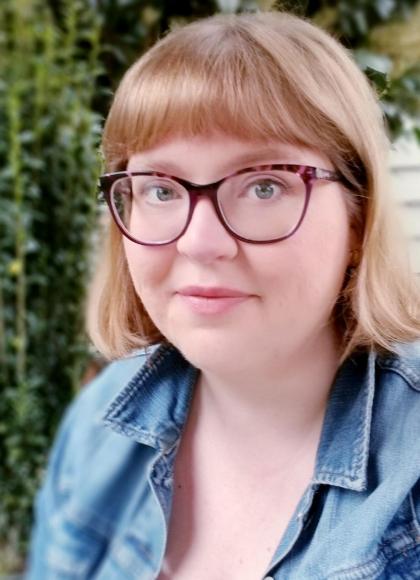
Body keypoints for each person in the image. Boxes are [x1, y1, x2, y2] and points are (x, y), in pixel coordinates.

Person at [26, 10, 420, 580]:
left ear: (358, 219)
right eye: (161, 190)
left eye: (264, 186)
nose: (200, 243)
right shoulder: (99, 424)